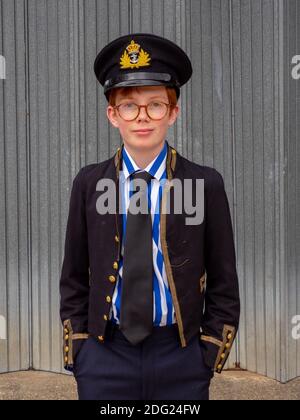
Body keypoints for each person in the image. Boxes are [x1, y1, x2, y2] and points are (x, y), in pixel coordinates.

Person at [59, 33, 240, 400]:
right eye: (129, 106)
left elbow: (224, 280)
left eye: (156, 105)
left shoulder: (204, 184)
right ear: (113, 115)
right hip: (105, 355)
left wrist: (206, 354)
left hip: (181, 356)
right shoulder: (90, 183)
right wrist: (81, 349)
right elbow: (74, 275)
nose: (142, 117)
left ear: (174, 112)